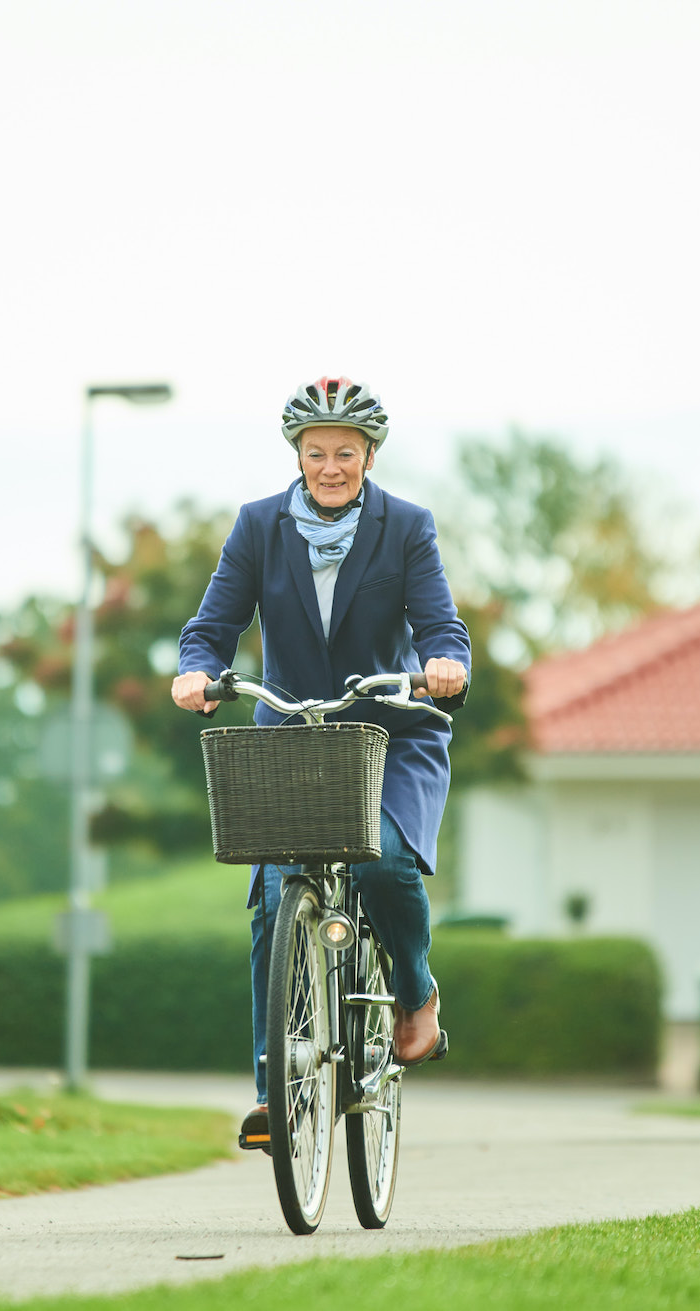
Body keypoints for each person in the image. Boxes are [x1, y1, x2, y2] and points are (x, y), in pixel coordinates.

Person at [171, 376, 470, 1152]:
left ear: (369, 455)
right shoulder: (258, 526)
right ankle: (276, 1088)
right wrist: (197, 670)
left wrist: (443, 663)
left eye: (344, 451)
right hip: (293, 735)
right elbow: (213, 623)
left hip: (391, 733)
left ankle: (414, 992)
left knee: (382, 862)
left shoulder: (406, 527)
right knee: (275, 897)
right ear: (297, 456)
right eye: (316, 452)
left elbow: (443, 625)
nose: (330, 466)